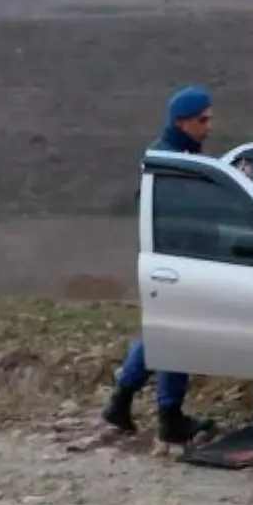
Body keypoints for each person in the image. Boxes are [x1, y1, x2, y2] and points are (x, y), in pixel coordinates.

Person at [100, 85, 223, 445]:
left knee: (164, 332)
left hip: (172, 259)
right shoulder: (170, 160)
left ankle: (124, 401)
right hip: (176, 261)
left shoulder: (172, 154)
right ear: (183, 122)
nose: (209, 126)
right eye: (203, 120)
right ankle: (168, 417)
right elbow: (190, 207)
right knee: (174, 335)